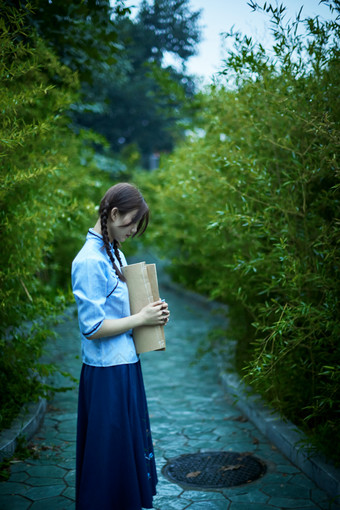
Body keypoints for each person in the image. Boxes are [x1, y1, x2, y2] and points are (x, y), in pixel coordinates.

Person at [71, 182, 170, 510]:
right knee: (107, 459)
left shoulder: (113, 250)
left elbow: (126, 312)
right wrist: (140, 318)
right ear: (113, 214)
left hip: (125, 365)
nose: (132, 232)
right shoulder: (88, 261)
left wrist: (152, 315)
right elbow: (93, 327)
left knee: (122, 454)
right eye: (130, 223)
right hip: (106, 374)